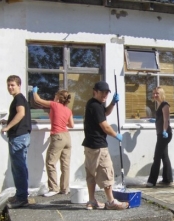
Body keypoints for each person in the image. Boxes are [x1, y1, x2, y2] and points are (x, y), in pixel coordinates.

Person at [82, 81, 129, 210]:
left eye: (106, 93)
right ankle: (111, 202)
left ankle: (92, 201)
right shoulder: (96, 106)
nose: (104, 95)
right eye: (102, 92)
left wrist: (113, 103)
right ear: (95, 91)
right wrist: (116, 135)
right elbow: (105, 126)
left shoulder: (94, 104)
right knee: (106, 172)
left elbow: (106, 113)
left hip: (89, 145)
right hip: (98, 146)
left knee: (91, 173)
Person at [32, 87, 74, 196]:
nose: (53, 97)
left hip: (58, 136)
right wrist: (61, 121)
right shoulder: (68, 110)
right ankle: (65, 189)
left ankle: (54, 188)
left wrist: (34, 91)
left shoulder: (54, 105)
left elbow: (37, 100)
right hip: (67, 137)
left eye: (55, 95)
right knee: (65, 165)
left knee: (50, 163)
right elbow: (71, 125)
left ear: (58, 98)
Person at [0, 75, 32, 208]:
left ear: (19, 85)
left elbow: (21, 114)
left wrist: (7, 127)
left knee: (19, 168)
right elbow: (19, 116)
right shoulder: (19, 99)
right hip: (21, 136)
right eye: (8, 85)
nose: (10, 87)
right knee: (20, 167)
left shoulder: (19, 98)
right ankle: (21, 194)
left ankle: (22, 198)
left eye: (12, 85)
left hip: (18, 137)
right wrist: (7, 122)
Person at [146, 87, 173, 187]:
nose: (155, 95)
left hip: (164, 134)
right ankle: (167, 179)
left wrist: (164, 131)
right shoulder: (158, 105)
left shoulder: (165, 105)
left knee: (157, 156)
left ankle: (152, 181)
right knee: (164, 156)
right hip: (160, 134)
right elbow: (161, 118)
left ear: (161, 94)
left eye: (157, 93)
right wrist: (155, 120)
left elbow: (166, 120)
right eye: (154, 93)